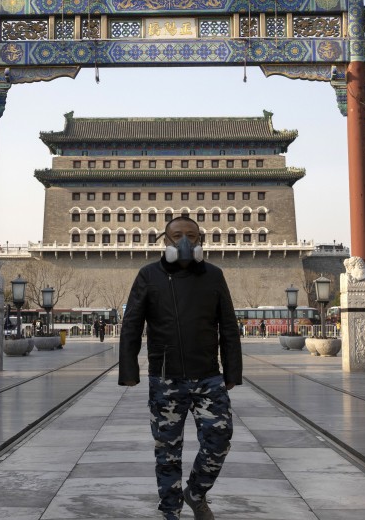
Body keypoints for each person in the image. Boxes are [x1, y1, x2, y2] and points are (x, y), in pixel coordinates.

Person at [119, 216, 241, 520]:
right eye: (177, 235)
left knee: (219, 438)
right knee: (167, 452)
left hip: (209, 377)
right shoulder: (149, 275)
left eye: (191, 235)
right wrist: (129, 370)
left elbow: (228, 325)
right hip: (166, 379)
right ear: (165, 240)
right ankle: (170, 511)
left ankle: (196, 492)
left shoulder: (214, 275)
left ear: (200, 240)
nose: (184, 241)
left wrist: (232, 372)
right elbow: (132, 324)